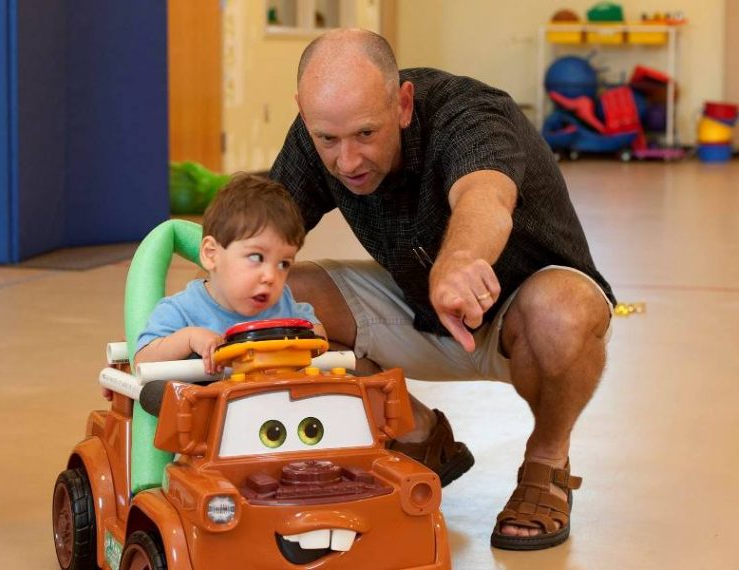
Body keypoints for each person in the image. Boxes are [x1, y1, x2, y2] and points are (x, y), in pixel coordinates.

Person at [269, 28, 615, 551]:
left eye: (366, 134)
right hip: (420, 310)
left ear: (403, 103)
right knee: (278, 296)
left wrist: (459, 262)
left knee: (562, 313)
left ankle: (547, 463)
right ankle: (418, 432)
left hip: (521, 321)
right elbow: (262, 233)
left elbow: (485, 196)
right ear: (303, 112)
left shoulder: (468, 113)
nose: (347, 162)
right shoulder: (316, 136)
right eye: (327, 140)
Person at [135, 172, 325, 376]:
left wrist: (316, 332)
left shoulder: (283, 303)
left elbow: (311, 326)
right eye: (256, 258)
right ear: (211, 254)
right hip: (206, 404)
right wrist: (188, 339)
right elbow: (141, 360)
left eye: (283, 264)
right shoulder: (181, 310)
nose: (271, 276)